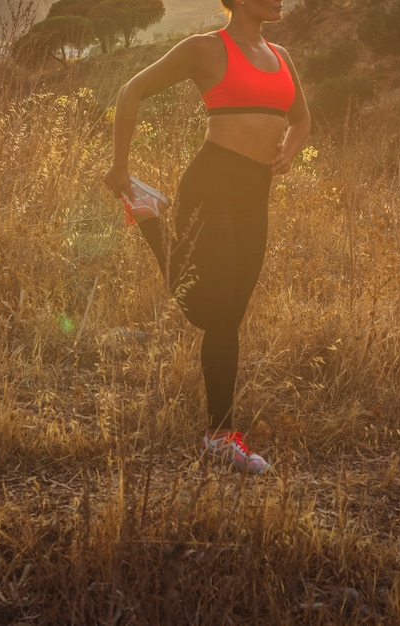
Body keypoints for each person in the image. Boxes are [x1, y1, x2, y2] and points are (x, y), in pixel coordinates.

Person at [104, 0, 311, 474]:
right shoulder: (205, 49)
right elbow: (131, 91)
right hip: (210, 187)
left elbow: (302, 119)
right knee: (202, 307)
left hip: (254, 195)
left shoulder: (282, 56)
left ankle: (219, 434)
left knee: (229, 315)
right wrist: (120, 166)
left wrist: (290, 152)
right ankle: (150, 216)